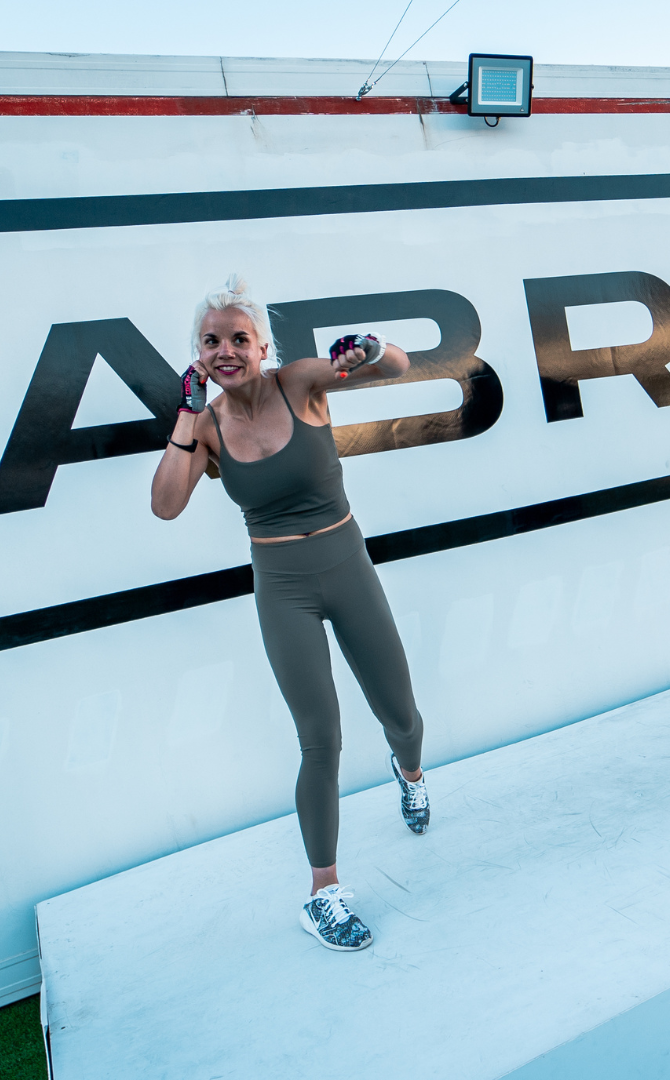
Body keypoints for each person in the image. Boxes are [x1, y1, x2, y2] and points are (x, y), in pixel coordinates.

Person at [151, 276, 430, 951]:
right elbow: (165, 504)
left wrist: (370, 346)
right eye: (210, 341)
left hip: (346, 565)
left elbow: (397, 367)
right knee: (320, 737)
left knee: (402, 714)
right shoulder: (208, 426)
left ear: (262, 345)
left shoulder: (298, 383)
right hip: (282, 585)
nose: (225, 351)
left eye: (238, 339)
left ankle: (411, 774)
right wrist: (187, 418)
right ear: (198, 352)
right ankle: (323, 892)